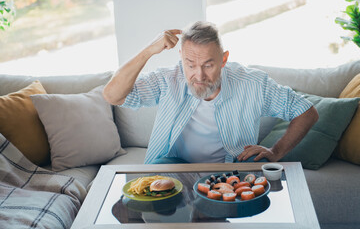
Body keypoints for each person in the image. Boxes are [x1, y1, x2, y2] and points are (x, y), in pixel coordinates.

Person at [103, 21, 319, 164]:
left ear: (223, 59)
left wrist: (276, 151)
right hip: (174, 166)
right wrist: (150, 49)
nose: (199, 75)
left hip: (233, 166)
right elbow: (112, 95)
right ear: (181, 59)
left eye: (208, 65)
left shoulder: (253, 83)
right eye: (190, 64)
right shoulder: (168, 79)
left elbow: (306, 111)